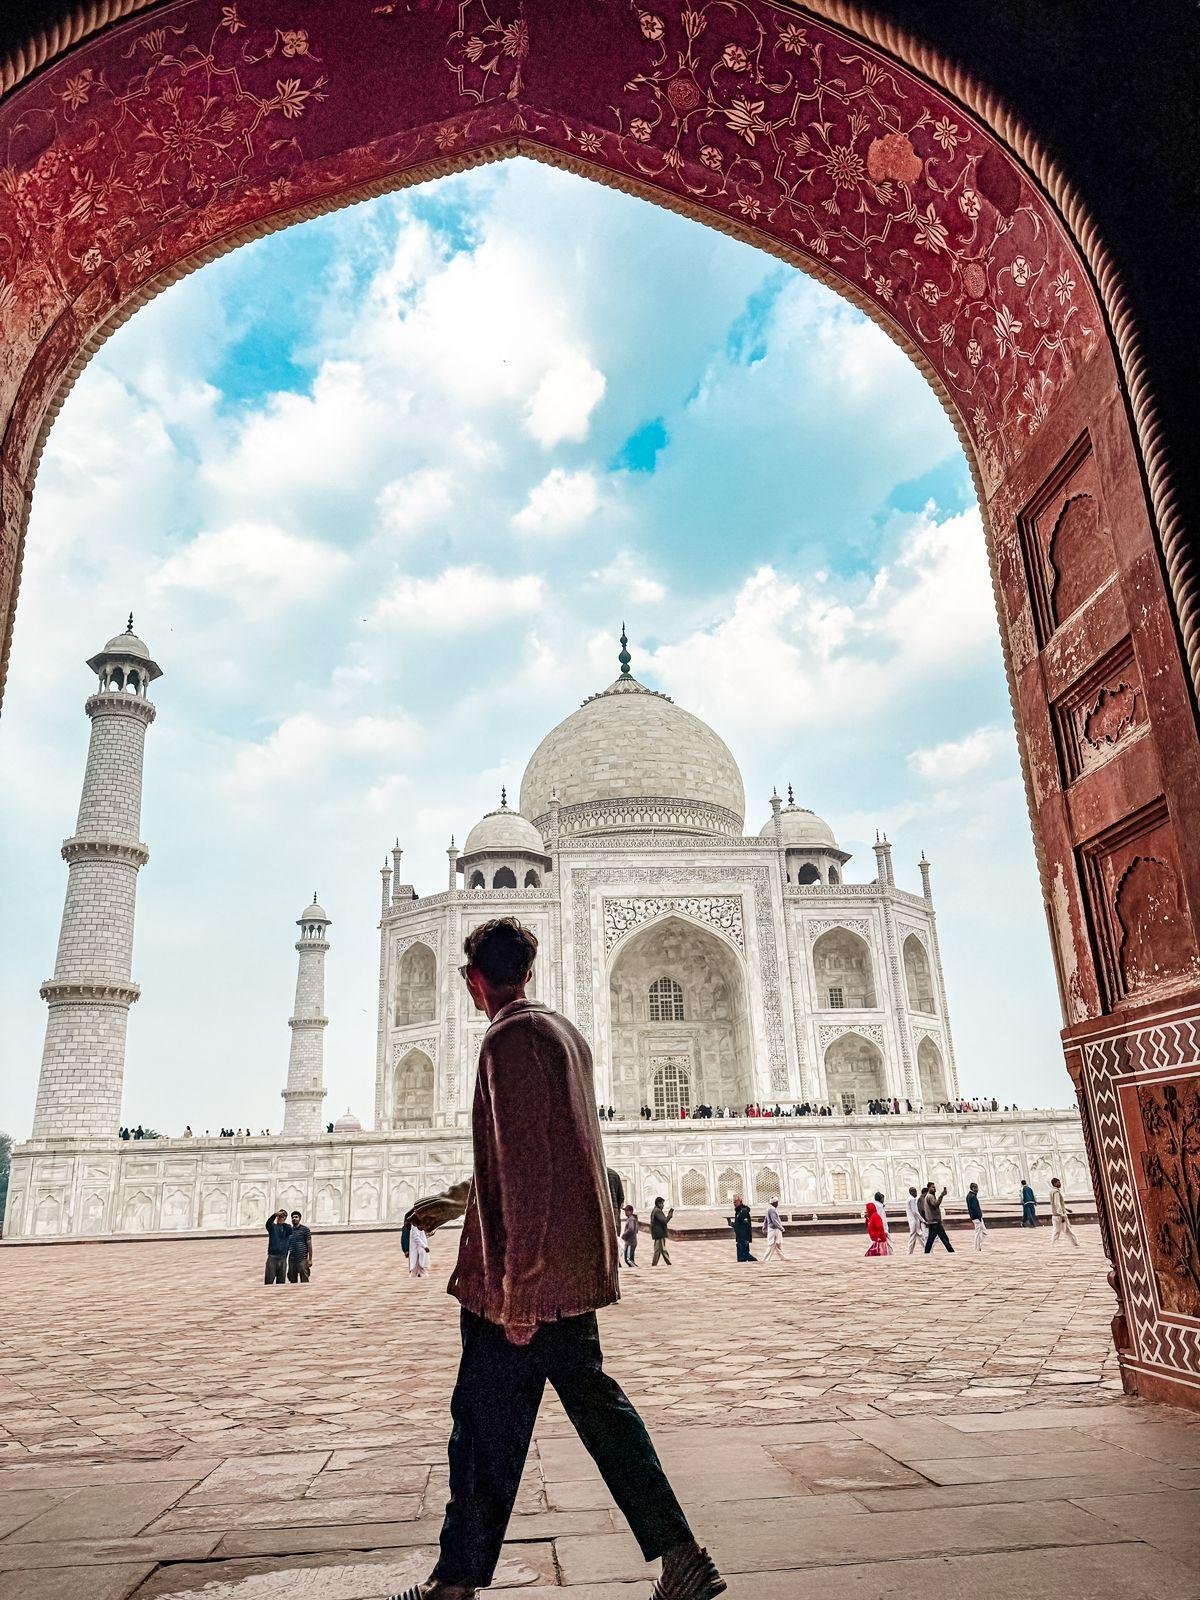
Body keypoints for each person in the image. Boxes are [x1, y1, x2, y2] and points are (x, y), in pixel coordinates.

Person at [397, 917, 723, 1600]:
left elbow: (527, 1172)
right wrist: (457, 1201)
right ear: (531, 969)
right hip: (567, 1271)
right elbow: (553, 1151)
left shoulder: (508, 1039)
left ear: (473, 980)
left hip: (519, 1285)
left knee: (482, 1433)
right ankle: (681, 1555)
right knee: (599, 1418)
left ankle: (453, 1585)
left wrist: (519, 1299)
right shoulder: (562, 1033)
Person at [921, 1183, 954, 1253]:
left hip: (935, 1221)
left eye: (935, 1187)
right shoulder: (930, 1196)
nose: (934, 1189)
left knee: (942, 1237)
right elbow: (936, 1204)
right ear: (929, 1188)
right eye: (933, 1187)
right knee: (933, 1238)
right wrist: (941, 1195)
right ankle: (926, 1252)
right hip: (934, 1222)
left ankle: (951, 1251)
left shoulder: (930, 1196)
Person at [1049, 1177, 1079, 1246]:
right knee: (1060, 1231)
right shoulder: (1056, 1192)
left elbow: (1057, 1204)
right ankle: (1054, 1244)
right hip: (1059, 1215)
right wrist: (1061, 1214)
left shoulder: (1052, 1191)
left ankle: (1075, 1243)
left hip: (1055, 1215)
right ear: (1054, 1183)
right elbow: (1057, 1203)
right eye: (1058, 1182)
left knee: (1064, 1230)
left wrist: (1066, 1209)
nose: (1060, 1184)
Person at [264, 1209, 290, 1284]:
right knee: (269, 1281)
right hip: (272, 1257)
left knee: (281, 1282)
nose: (280, 1218)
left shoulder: (287, 1228)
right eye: (279, 1216)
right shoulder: (273, 1227)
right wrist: (275, 1215)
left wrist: (283, 1223)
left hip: (282, 1258)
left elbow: (290, 1231)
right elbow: (268, 1223)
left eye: (283, 1216)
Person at [728, 1194, 756, 1262]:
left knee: (744, 1256)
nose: (734, 1204)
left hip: (743, 1238)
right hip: (739, 1238)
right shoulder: (738, 1211)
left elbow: (746, 1226)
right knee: (742, 1257)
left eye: (735, 1202)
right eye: (733, 1202)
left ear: (740, 1201)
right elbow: (739, 1224)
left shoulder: (743, 1211)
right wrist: (732, 1224)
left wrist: (746, 1239)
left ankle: (757, 1263)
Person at [287, 1210, 313, 1282]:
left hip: (302, 1259)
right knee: (292, 1279)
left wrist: (310, 1259)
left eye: (296, 1217)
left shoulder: (305, 1230)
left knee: (304, 1278)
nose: (294, 1219)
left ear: (300, 1218)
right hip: (292, 1259)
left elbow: (309, 1244)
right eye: (292, 1217)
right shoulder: (289, 1230)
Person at [650, 1197, 674, 1266]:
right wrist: (669, 1216)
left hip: (657, 1234)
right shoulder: (657, 1211)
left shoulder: (655, 1210)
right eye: (662, 1203)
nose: (663, 1205)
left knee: (657, 1251)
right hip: (660, 1234)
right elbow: (664, 1221)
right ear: (659, 1204)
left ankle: (654, 1264)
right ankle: (669, 1263)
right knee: (663, 1250)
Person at [762, 1196, 787, 1262]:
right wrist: (781, 1228)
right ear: (774, 1203)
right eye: (777, 1202)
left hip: (773, 1229)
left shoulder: (769, 1209)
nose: (777, 1204)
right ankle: (766, 1259)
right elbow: (774, 1221)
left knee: (778, 1244)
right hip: (774, 1230)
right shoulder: (772, 1210)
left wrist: (764, 1227)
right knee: (772, 1245)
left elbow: (766, 1219)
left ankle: (783, 1257)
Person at [904, 1185, 927, 1255]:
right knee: (913, 1236)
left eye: (916, 1191)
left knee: (919, 1235)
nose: (916, 1193)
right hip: (914, 1220)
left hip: (913, 1220)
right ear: (911, 1192)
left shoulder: (910, 1199)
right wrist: (922, 1219)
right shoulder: (912, 1199)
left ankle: (927, 1249)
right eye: (914, 1191)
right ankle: (909, 1252)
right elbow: (915, 1211)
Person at [965, 1183, 988, 1250]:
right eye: (976, 1188)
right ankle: (977, 1247)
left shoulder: (970, 1195)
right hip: (976, 1217)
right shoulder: (972, 1196)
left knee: (983, 1232)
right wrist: (979, 1216)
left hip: (975, 1217)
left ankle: (978, 1246)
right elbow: (975, 1208)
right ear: (973, 1188)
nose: (977, 1189)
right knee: (978, 1233)